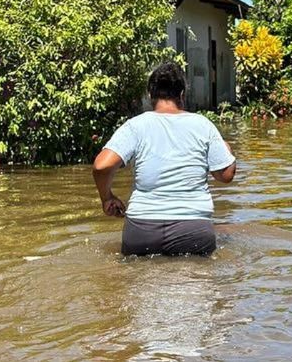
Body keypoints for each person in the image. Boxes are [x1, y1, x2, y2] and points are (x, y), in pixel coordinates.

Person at [93, 61, 237, 256]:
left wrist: (107, 197)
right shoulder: (203, 125)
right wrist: (226, 150)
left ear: (150, 95)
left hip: (142, 232)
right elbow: (226, 175)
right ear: (182, 95)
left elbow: (102, 166)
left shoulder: (135, 126)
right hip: (192, 231)